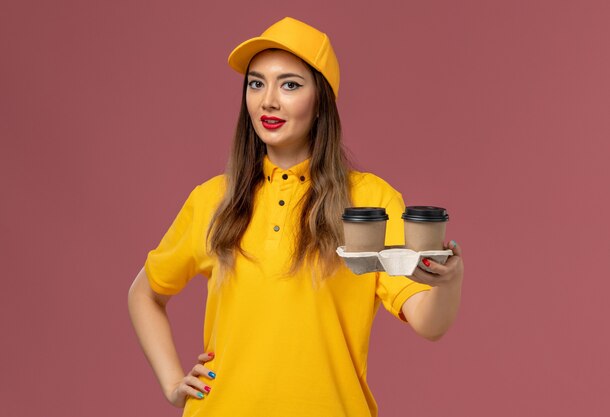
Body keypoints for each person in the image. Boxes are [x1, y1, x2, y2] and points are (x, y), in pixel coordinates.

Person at [127, 17, 464, 417]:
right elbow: (144, 293)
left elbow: (429, 322)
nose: (268, 100)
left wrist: (448, 281)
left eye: (290, 84)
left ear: (321, 100)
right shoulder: (212, 200)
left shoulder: (369, 202)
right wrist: (172, 384)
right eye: (256, 83)